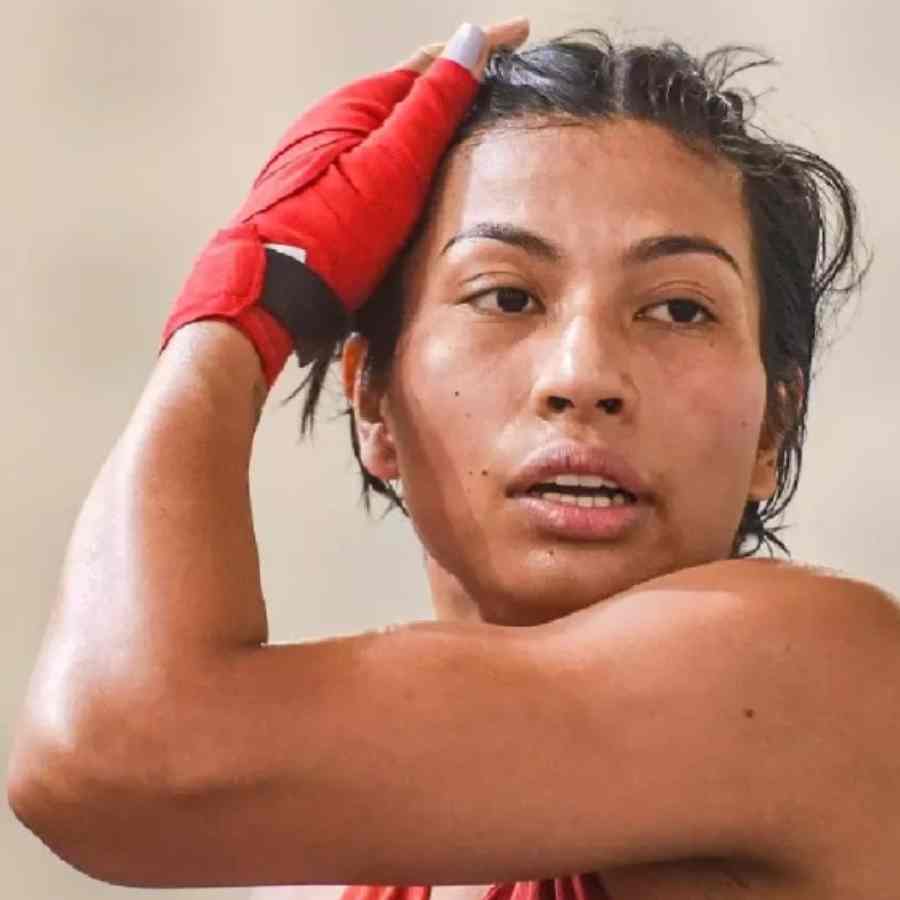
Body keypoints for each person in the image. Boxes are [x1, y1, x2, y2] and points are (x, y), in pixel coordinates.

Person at [7, 14, 899, 900]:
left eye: (679, 310)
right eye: (506, 296)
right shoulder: (334, 863)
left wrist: (249, 295)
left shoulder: (817, 679)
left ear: (773, 429)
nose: (583, 375)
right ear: (373, 403)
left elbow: (112, 752)